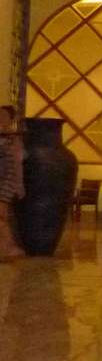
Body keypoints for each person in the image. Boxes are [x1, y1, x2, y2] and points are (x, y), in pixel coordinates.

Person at [0, 106, 25, 261]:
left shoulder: (14, 139)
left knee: (1, 216)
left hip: (7, 182)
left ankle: (9, 249)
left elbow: (17, 163)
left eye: (3, 115)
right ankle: (7, 249)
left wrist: (19, 186)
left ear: (11, 119)